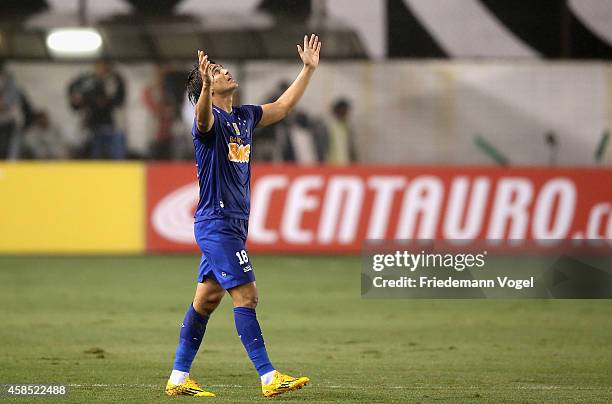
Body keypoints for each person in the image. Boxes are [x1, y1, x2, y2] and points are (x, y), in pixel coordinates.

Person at [165, 34, 322, 398]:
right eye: (217, 71)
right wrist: (204, 87)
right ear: (207, 85)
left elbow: (282, 107)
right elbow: (202, 120)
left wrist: (308, 70)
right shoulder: (209, 122)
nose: (225, 71)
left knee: (206, 300)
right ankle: (269, 377)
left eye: (220, 69)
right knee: (247, 296)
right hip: (217, 225)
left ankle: (178, 377)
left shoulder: (245, 116)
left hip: (233, 224)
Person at [68, 60, 126, 159]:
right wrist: (78, 100)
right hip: (91, 122)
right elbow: (75, 94)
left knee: (113, 145)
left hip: (108, 122)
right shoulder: (87, 81)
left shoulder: (113, 81)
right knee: (93, 149)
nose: (102, 70)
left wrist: (106, 101)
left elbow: (119, 100)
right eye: (99, 68)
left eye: (104, 68)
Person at [327, 98, 358, 165]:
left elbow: (351, 147)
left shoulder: (348, 127)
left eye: (346, 111)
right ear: (336, 111)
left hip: (346, 164)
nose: (344, 113)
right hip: (332, 164)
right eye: (342, 110)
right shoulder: (330, 126)